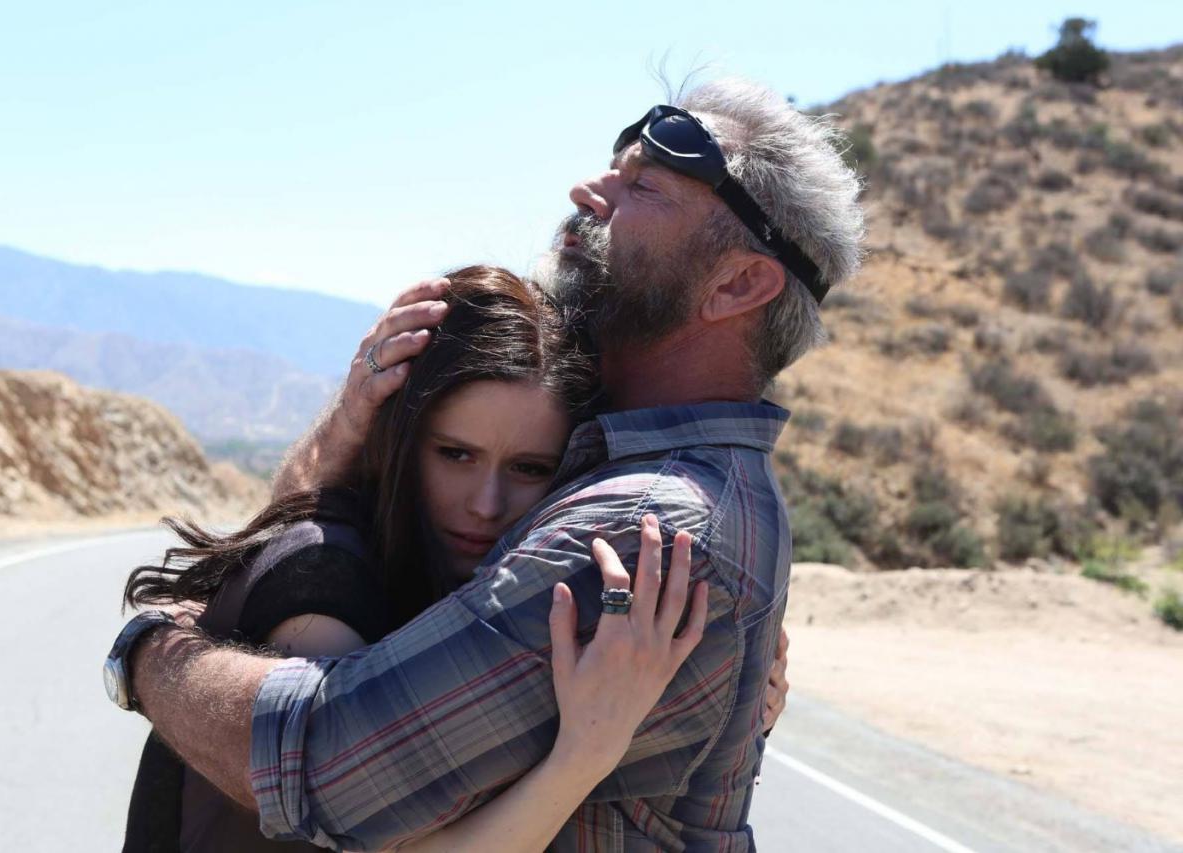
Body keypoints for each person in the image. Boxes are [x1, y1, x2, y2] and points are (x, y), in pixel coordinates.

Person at [108, 76, 863, 851]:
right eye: (454, 452)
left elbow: (327, 764)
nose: (587, 191)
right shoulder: (637, 464)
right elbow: (311, 531)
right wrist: (349, 426)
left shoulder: (643, 530)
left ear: (739, 282)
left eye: (643, 186)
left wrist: (150, 655)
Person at [120, 266, 732, 851]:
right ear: (402, 441)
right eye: (455, 455)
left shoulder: (467, 593)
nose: (486, 504)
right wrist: (585, 754)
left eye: (528, 468)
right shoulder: (327, 583)